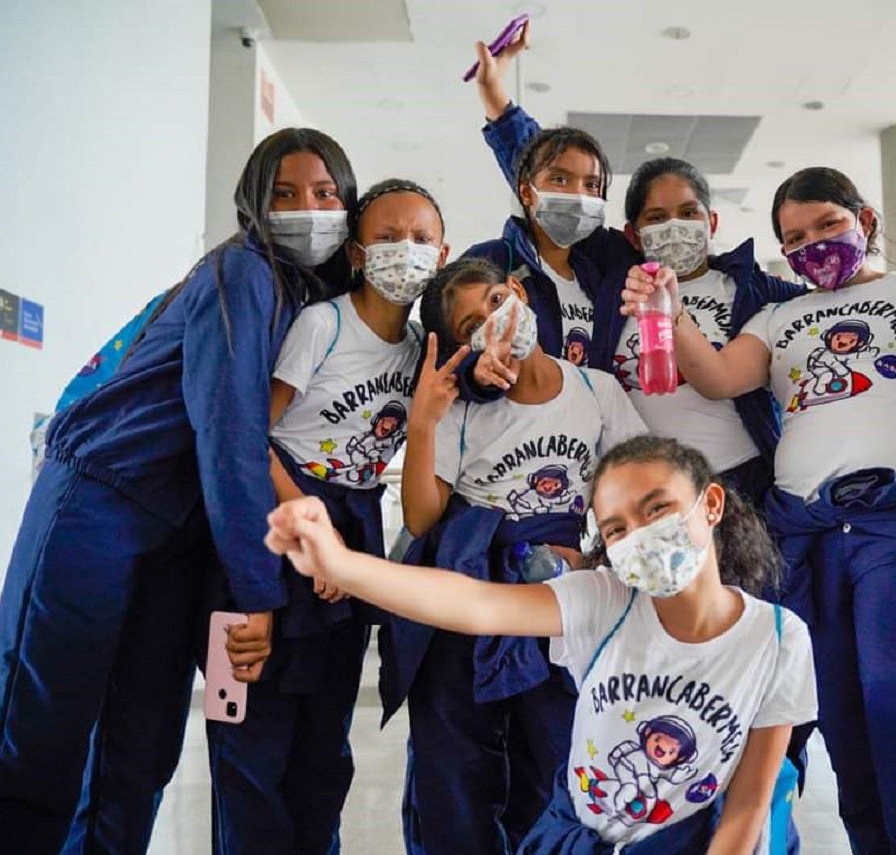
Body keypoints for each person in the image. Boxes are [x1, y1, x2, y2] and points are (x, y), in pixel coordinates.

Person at [625, 166, 896, 855]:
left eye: (828, 224)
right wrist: (670, 311)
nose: (815, 243)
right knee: (839, 713)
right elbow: (714, 376)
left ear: (863, 218)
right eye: (794, 237)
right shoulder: (776, 315)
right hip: (805, 533)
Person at [0, 128, 357, 855]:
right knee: (41, 727)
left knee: (139, 744)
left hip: (174, 529)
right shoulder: (245, 272)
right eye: (284, 194)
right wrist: (259, 591)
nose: (307, 209)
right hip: (98, 499)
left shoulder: (314, 305)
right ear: (254, 205)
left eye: (324, 194)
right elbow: (229, 433)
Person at [265, 434, 818, 855]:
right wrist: (341, 564)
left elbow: (748, 807)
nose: (641, 534)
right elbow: (473, 604)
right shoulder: (605, 601)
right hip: (576, 837)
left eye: (657, 509)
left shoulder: (777, 638)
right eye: (617, 528)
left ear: (712, 504)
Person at [463, 26, 807, 506]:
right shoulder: (614, 272)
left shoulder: (753, 289)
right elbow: (556, 189)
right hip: (641, 491)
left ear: (711, 221)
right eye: (656, 217)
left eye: (689, 214)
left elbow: (831, 302)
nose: (675, 226)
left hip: (744, 487)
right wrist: (498, 103)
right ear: (632, 232)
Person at [204, 179, 441, 854]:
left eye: (421, 239)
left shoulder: (418, 349)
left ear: (442, 250)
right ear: (359, 253)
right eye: (389, 237)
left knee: (324, 750)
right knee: (255, 743)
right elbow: (251, 432)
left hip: (353, 519)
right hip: (278, 515)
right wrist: (312, 525)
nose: (406, 251)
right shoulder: (324, 324)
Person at [383, 258, 648, 854]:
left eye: (498, 301)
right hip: (472, 594)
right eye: (474, 322)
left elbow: (638, 484)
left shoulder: (593, 390)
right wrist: (423, 423)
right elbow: (424, 517)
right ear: (462, 343)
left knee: (559, 758)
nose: (495, 323)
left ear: (521, 295)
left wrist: (591, 562)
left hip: (561, 597)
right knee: (459, 771)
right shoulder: (462, 409)